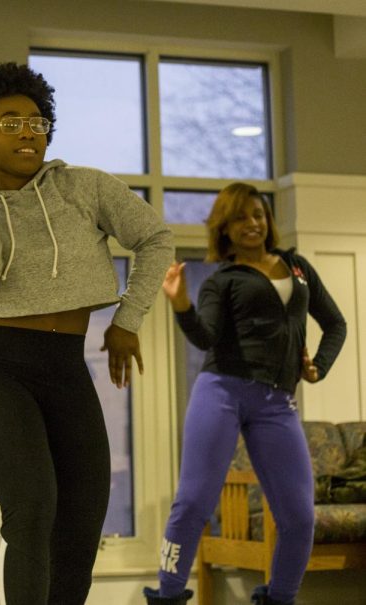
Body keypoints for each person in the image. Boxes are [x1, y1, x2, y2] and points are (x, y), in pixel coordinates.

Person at [0, 62, 173, 605]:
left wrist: (128, 319)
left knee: (82, 524)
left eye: (36, 121)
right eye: (9, 123)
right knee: (33, 509)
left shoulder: (82, 187)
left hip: (65, 368)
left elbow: (155, 238)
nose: (28, 132)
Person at [143, 183, 346, 605]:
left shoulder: (298, 267)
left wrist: (317, 367)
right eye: (240, 218)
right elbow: (204, 337)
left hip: (278, 402)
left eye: (258, 214)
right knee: (195, 501)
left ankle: (280, 598)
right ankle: (168, 595)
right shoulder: (224, 280)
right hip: (221, 391)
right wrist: (181, 305)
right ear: (225, 228)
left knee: (298, 517)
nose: (252, 223)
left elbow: (335, 324)